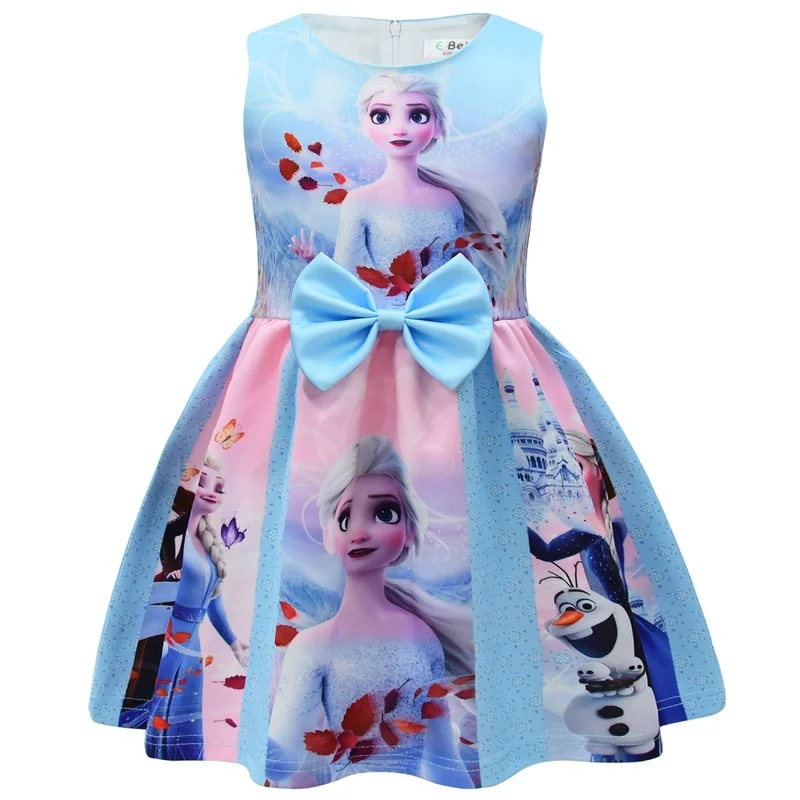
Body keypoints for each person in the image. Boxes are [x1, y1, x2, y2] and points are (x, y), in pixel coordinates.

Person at [265, 434, 476, 787]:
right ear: (329, 536)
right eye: (345, 518)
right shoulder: (312, 646)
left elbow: (442, 758)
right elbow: (282, 762)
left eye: (384, 513)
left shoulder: (421, 637)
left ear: (409, 531)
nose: (360, 532)